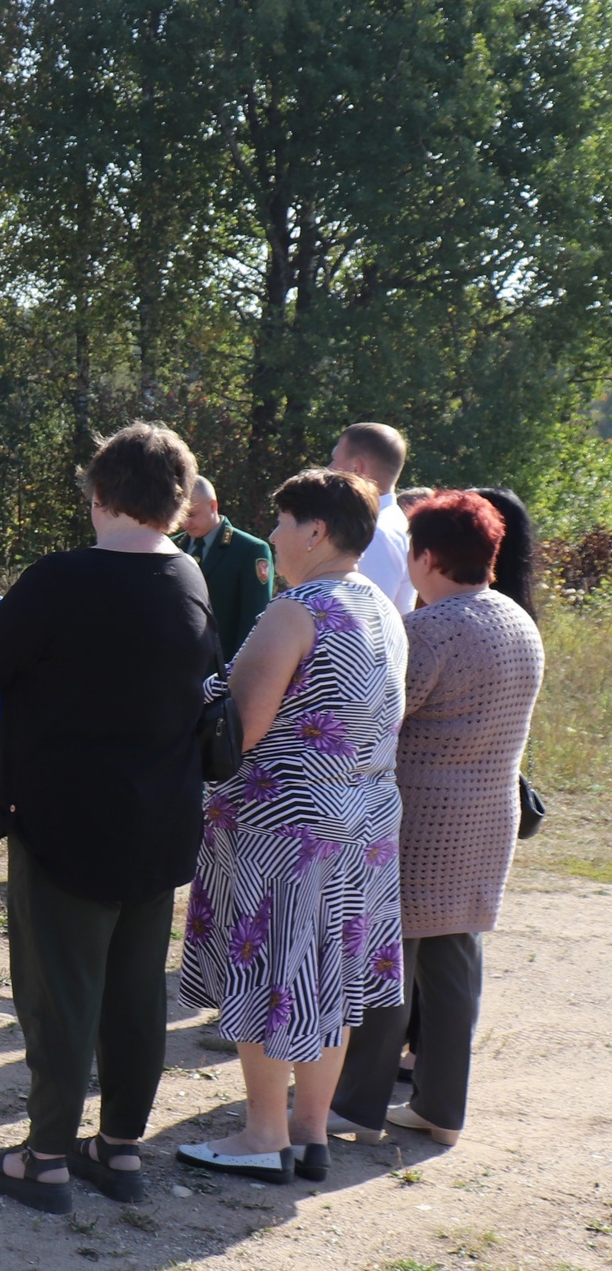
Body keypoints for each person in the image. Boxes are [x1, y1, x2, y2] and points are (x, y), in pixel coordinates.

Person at [0, 424, 221, 1211]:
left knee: (61, 990)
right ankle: (123, 1148)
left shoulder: (61, 579)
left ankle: (46, 1157)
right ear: (176, 501)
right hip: (160, 820)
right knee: (137, 991)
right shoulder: (190, 581)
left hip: (65, 820)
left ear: (99, 496)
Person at [176, 468, 406, 1185]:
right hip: (361, 823)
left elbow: (237, 728)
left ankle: (262, 1134)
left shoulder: (295, 609)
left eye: (281, 521)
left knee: (269, 972)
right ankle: (310, 1133)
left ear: (317, 530)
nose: (271, 535)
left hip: (285, 826)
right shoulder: (382, 607)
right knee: (322, 979)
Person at [327, 491, 544, 1145]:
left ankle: (357, 1107)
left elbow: (378, 715)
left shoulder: (431, 629)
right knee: (455, 964)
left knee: (390, 959)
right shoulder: (517, 620)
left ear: (425, 555)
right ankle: (443, 1107)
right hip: (489, 814)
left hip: (423, 818)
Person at [177, 475, 275, 659]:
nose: (185, 523)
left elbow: (253, 620)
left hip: (220, 668)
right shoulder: (172, 547)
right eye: (181, 515)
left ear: (213, 506)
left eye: (191, 514)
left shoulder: (249, 550)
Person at [329, 421, 414, 610]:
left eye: (335, 459)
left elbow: (365, 613)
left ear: (356, 468)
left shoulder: (376, 534)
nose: (329, 468)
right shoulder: (384, 524)